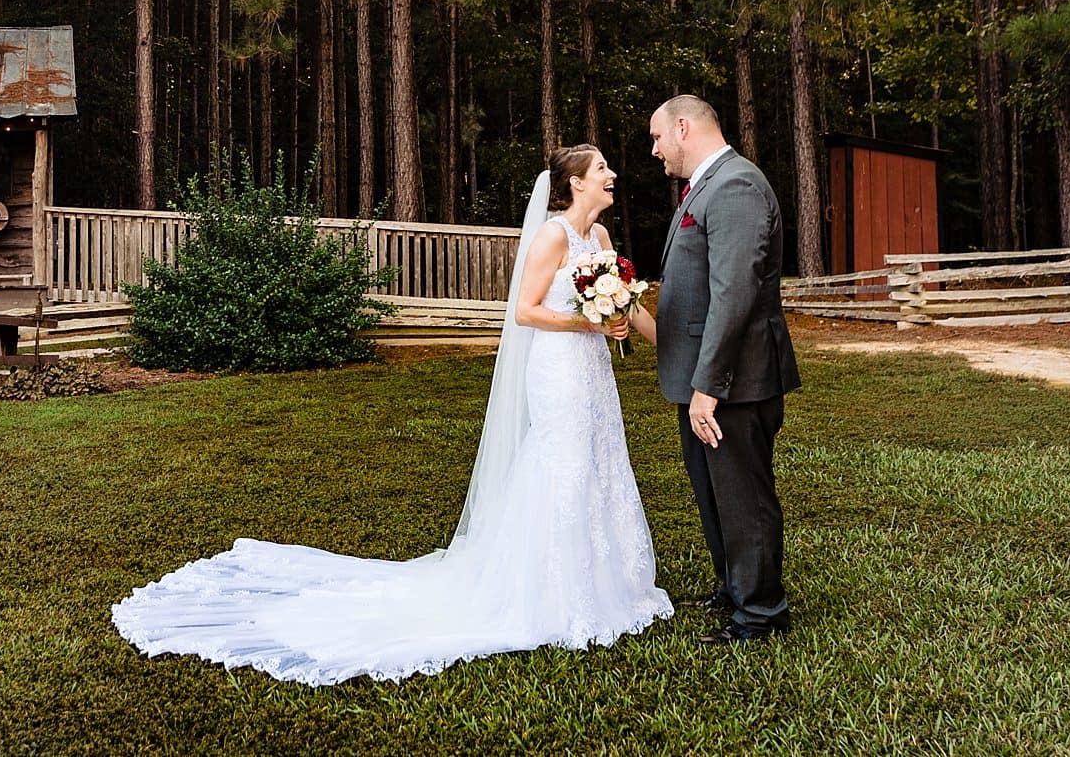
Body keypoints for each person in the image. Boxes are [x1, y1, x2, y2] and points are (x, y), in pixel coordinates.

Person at [110, 146, 673, 684]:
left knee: (600, 456)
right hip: (558, 367)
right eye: (601, 167)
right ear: (574, 182)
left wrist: (649, 336)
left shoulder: (597, 235)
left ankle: (608, 585)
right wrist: (586, 323)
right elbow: (525, 312)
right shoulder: (551, 236)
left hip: (593, 369)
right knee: (563, 462)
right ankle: (550, 592)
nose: (611, 174)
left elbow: (622, 297)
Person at [628, 95, 801, 644]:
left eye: (657, 137)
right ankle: (735, 587)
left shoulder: (735, 186)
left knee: (742, 497)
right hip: (704, 377)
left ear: (683, 128)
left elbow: (734, 293)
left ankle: (760, 615)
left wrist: (709, 386)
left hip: (734, 382)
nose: (654, 150)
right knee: (712, 492)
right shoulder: (705, 185)